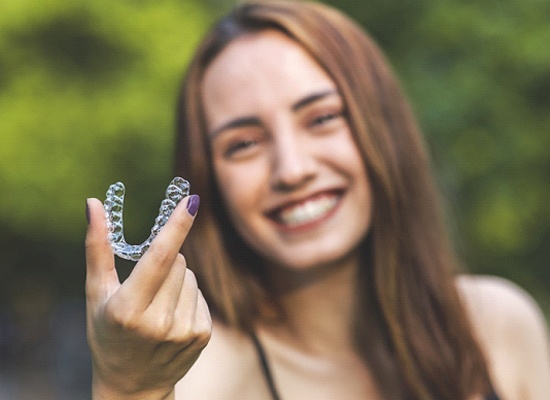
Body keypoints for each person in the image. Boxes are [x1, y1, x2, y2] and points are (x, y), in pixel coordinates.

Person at [84, 1, 550, 399]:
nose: (292, 169)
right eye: (243, 144)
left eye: (323, 117)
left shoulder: (499, 325)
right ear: (208, 179)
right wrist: (126, 390)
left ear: (384, 128)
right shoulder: (193, 377)